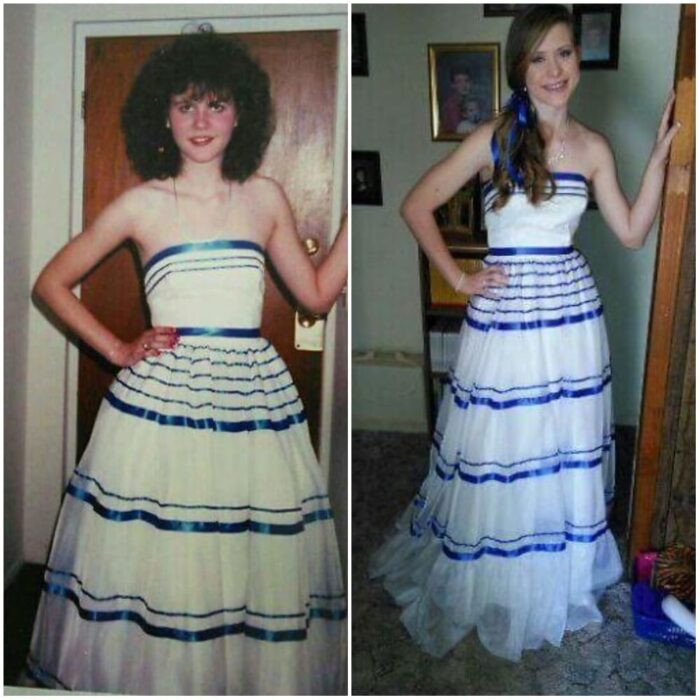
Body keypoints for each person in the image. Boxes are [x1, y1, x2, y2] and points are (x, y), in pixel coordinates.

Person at [27, 32, 347, 694]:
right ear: (163, 117)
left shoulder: (265, 198)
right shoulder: (143, 203)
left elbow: (315, 294)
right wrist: (117, 350)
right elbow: (52, 282)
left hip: (252, 402)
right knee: (167, 555)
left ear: (241, 114)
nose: (201, 122)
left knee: (244, 552)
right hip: (160, 407)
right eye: (185, 106)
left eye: (217, 105)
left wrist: (355, 229)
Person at [370, 4, 679, 662]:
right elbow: (415, 203)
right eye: (538, 57)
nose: (553, 69)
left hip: (570, 315)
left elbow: (630, 232)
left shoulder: (593, 146)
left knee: (560, 444)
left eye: (564, 53)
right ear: (520, 68)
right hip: (507, 317)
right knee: (505, 445)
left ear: (579, 59)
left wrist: (658, 161)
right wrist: (458, 275)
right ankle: (500, 570)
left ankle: (554, 572)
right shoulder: (493, 137)